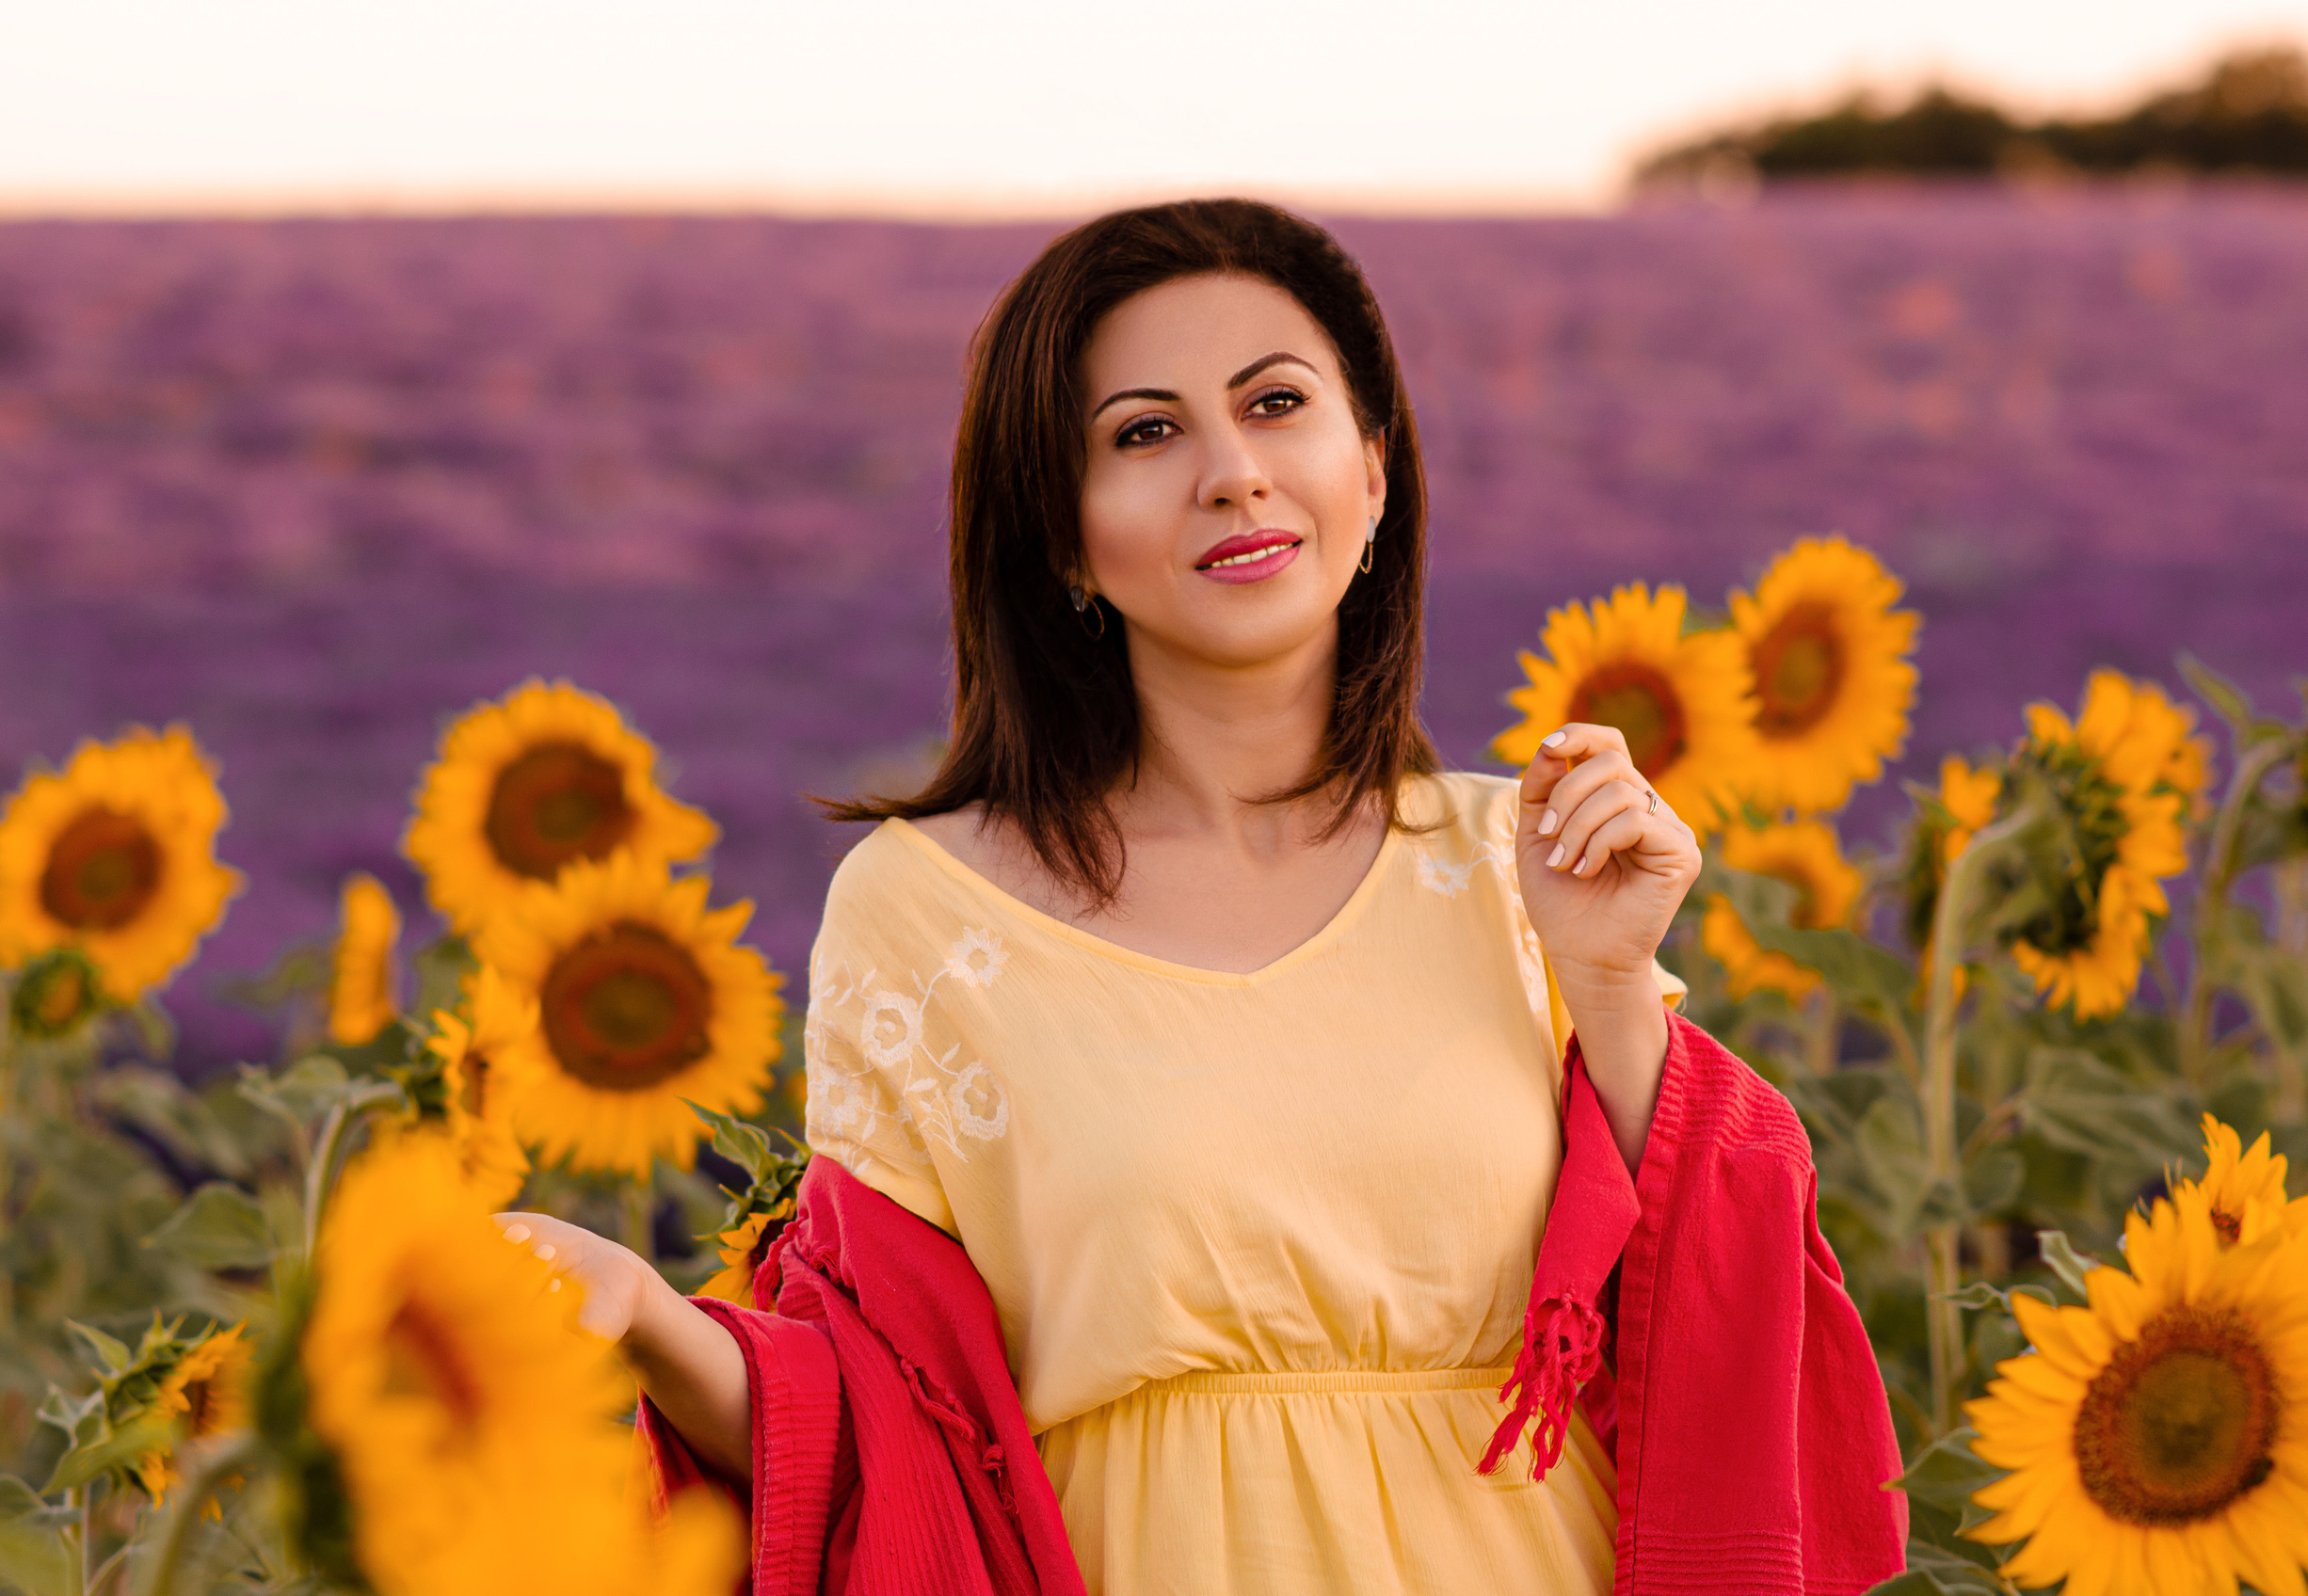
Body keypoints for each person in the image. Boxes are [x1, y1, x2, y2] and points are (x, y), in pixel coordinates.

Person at [499, 198, 1904, 1594]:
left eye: (1275, 404)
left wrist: (1609, 986)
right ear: (1063, 535)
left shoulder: (1519, 864)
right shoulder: (928, 914)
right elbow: (881, 1421)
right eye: (1145, 433)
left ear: (1373, 472)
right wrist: (650, 1319)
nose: (1232, 474)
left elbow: (1714, 1336)